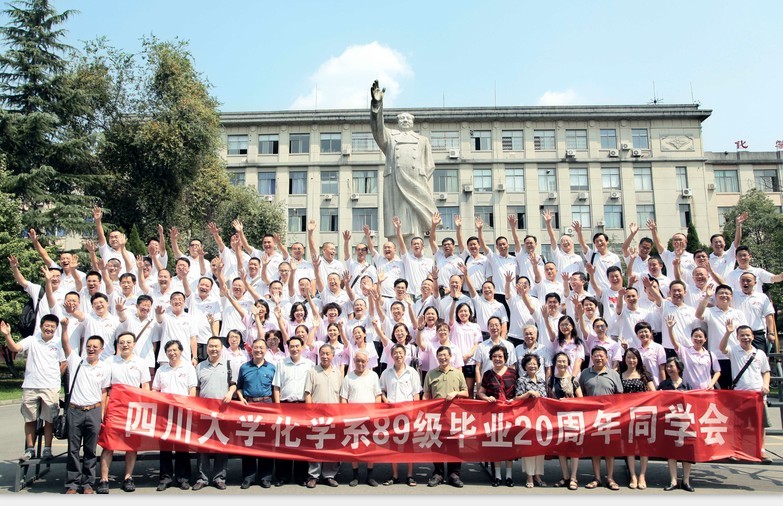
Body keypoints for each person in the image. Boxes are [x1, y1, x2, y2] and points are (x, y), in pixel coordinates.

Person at [370, 80, 436, 244]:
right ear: (398, 122)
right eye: (402, 119)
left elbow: (430, 165)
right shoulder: (391, 136)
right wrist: (377, 105)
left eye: (408, 118)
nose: (405, 120)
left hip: (415, 183)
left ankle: (415, 247)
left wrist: (419, 178)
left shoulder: (422, 140)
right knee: (397, 218)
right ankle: (396, 250)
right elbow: (377, 130)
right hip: (395, 183)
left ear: (412, 122)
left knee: (414, 220)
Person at [0, 314, 65, 463]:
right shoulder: (32, 340)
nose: (49, 329)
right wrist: (7, 335)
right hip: (31, 385)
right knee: (30, 418)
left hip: (50, 387)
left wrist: (55, 378)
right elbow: (15, 347)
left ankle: (47, 449)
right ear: (41, 326)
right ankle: (30, 449)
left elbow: (64, 363)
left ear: (56, 328)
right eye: (47, 326)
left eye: (52, 327)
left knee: (49, 419)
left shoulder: (59, 343)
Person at [96, 331, 152, 494]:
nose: (125, 345)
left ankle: (128, 477)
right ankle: (104, 479)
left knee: (131, 445)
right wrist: (103, 410)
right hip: (114, 407)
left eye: (128, 342)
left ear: (134, 344)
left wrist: (145, 410)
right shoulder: (109, 361)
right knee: (109, 444)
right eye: (121, 342)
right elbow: (105, 388)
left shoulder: (141, 363)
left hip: (134, 408)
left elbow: (145, 387)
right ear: (117, 345)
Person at [60, 321, 111, 494]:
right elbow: (65, 344)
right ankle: (72, 484)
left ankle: (88, 483)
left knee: (90, 449)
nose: (91, 349)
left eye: (95, 347)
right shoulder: (76, 361)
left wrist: (102, 411)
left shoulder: (105, 368)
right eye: (89, 346)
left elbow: (104, 391)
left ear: (101, 349)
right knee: (73, 449)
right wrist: (64, 328)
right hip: (75, 410)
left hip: (94, 411)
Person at [719, 321, 772, 463]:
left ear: (753, 336)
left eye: (748, 335)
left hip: (758, 395)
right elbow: (722, 348)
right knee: (738, 425)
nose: (745, 338)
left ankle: (761, 449)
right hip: (740, 394)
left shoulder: (760, 354)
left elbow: (766, 371)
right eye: (742, 335)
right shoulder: (734, 351)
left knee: (760, 424)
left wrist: (766, 384)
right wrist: (728, 332)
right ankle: (736, 449)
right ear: (737, 337)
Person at [152, 340, 197, 491]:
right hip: (165, 414)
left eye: (175, 350)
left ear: (181, 351)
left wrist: (189, 407)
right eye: (169, 351)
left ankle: (183, 478)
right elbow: (155, 390)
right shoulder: (161, 370)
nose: (172, 353)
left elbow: (192, 389)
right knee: (165, 447)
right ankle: (165, 478)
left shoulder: (188, 368)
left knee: (182, 446)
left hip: (183, 412)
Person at [193, 336, 236, 491]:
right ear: (207, 348)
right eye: (211, 346)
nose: (213, 349)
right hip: (204, 411)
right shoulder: (200, 366)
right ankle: (202, 478)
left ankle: (219, 478)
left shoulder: (229, 364)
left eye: (216, 346)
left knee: (221, 445)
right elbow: (196, 388)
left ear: (221, 348)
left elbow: (233, 384)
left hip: (223, 412)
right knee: (202, 445)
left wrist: (230, 393)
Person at [423, 346, 469, 488]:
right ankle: (438, 474)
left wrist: (456, 393)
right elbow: (426, 395)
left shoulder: (458, 373)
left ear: (450, 356)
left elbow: (466, 392)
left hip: (454, 416)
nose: (443, 358)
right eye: (440, 355)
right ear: (437, 357)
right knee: (437, 444)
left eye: (445, 355)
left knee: (454, 445)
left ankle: (454, 475)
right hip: (436, 415)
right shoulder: (430, 374)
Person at [579, 346, 623, 491]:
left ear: (607, 358)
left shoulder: (613, 374)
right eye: (596, 355)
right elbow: (581, 394)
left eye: (601, 356)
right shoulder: (585, 373)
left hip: (610, 416)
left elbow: (620, 396)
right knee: (595, 449)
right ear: (591, 357)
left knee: (610, 450)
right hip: (591, 417)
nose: (598, 358)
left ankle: (610, 478)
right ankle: (597, 478)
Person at [272, 335, 314, 486]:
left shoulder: (309, 364)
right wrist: (278, 407)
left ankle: (301, 476)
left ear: (302, 348)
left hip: (302, 406)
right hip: (285, 406)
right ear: (288, 348)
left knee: (302, 442)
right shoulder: (281, 363)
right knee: (284, 442)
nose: (294, 349)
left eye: (297, 346)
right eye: (291, 346)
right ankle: (282, 476)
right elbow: (276, 386)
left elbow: (311, 387)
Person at [379, 342, 422, 486]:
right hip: (392, 414)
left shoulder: (412, 372)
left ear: (405, 355)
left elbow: (416, 394)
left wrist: (415, 413)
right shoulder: (386, 373)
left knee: (409, 445)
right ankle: (395, 475)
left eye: (400, 353)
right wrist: (386, 400)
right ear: (391, 356)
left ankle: (410, 475)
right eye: (395, 353)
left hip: (408, 414)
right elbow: (381, 390)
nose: (398, 355)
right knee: (393, 445)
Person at [235, 338, 276, 489]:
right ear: (251, 349)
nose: (258, 350)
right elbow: (239, 387)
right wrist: (241, 398)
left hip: (267, 405)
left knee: (266, 441)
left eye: (261, 348)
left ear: (266, 350)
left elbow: (275, 389)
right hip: (249, 405)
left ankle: (265, 477)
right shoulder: (244, 367)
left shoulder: (272, 368)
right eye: (256, 347)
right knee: (249, 441)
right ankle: (248, 477)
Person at [477, 344, 518, 487]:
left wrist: (514, 400)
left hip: (510, 413)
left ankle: (509, 476)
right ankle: (498, 476)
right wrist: (486, 398)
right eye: (494, 356)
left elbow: (519, 392)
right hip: (493, 414)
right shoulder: (488, 374)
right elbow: (480, 392)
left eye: (500, 356)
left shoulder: (513, 373)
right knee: (496, 444)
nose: (497, 359)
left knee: (509, 444)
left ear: (505, 358)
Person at [340, 349, 383, 487]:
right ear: (353, 361)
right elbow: (343, 398)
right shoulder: (348, 377)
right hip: (353, 419)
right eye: (358, 361)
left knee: (370, 446)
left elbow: (378, 396)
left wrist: (376, 414)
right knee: (354, 447)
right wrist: (346, 416)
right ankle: (355, 475)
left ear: (367, 362)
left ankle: (370, 475)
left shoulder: (374, 376)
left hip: (370, 418)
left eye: (363, 361)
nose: (360, 363)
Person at [304, 343, 343, 488]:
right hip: (316, 416)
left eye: (328, 354)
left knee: (331, 446)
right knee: (315, 445)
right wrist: (310, 413)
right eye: (322, 354)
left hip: (333, 416)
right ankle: (313, 476)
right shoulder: (312, 372)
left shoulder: (338, 373)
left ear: (333, 356)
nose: (325, 356)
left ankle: (329, 475)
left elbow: (341, 396)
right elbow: (308, 393)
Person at [618, 347, 656, 490]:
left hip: (643, 415)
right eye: (628, 357)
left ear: (638, 359)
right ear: (624, 359)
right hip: (626, 416)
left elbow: (654, 393)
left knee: (643, 446)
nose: (631, 360)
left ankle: (642, 475)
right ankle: (633, 475)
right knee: (630, 445)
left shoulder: (645, 375)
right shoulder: (620, 375)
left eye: (634, 357)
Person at [658, 356, 696, 492]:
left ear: (679, 368)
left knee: (687, 452)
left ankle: (686, 481)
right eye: (667, 367)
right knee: (671, 452)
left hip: (685, 423)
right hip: (669, 422)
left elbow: (693, 404)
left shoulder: (687, 385)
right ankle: (673, 481)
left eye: (671, 366)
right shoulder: (663, 385)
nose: (668, 369)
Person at [547, 351, 582, 490]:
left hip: (572, 417)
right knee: (561, 449)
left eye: (564, 361)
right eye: (559, 361)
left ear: (568, 363)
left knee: (573, 449)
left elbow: (581, 400)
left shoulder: (573, 380)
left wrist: (569, 401)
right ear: (555, 364)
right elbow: (548, 398)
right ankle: (565, 476)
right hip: (556, 418)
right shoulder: (551, 380)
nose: (561, 364)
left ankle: (573, 477)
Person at [514, 353, 548, 488]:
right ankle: (529, 476)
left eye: (535, 364)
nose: (532, 366)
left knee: (539, 447)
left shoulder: (542, 381)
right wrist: (528, 394)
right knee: (528, 447)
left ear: (538, 366)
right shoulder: (521, 380)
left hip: (540, 418)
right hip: (527, 418)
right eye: (529, 364)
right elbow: (516, 398)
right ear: (524, 366)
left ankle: (537, 476)